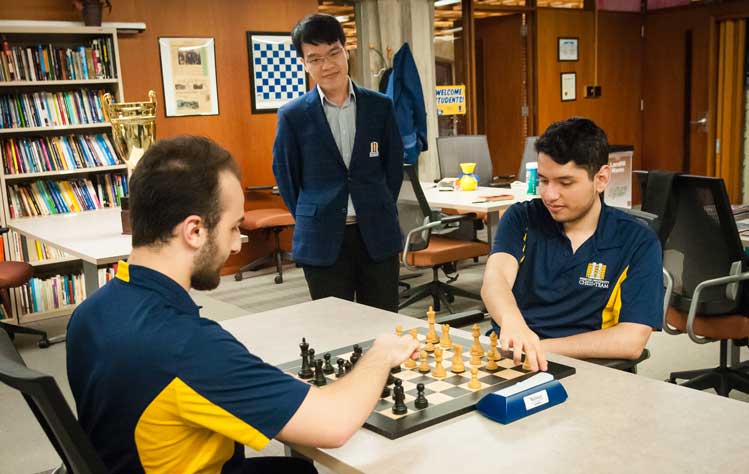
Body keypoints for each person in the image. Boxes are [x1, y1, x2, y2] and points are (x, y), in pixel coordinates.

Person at [66, 136, 419, 474]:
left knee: (294, 469)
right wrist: (382, 353)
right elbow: (335, 424)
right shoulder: (185, 346)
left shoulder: (89, 312)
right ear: (194, 231)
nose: (237, 245)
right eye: (234, 228)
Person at [481, 118, 663, 372]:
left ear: (601, 179)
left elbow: (632, 340)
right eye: (543, 180)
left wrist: (538, 348)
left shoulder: (637, 241)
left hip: (589, 369)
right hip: (512, 360)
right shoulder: (521, 217)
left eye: (565, 183)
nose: (549, 195)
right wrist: (513, 322)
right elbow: (495, 278)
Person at [272, 13, 404, 312]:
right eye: (315, 58)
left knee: (383, 321)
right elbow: (287, 177)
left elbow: (392, 168)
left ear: (347, 51)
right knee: (333, 329)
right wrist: (317, 212)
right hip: (322, 238)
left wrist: (375, 203)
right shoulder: (293, 116)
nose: (327, 65)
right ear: (304, 64)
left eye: (333, 53)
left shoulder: (379, 106)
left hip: (377, 234)